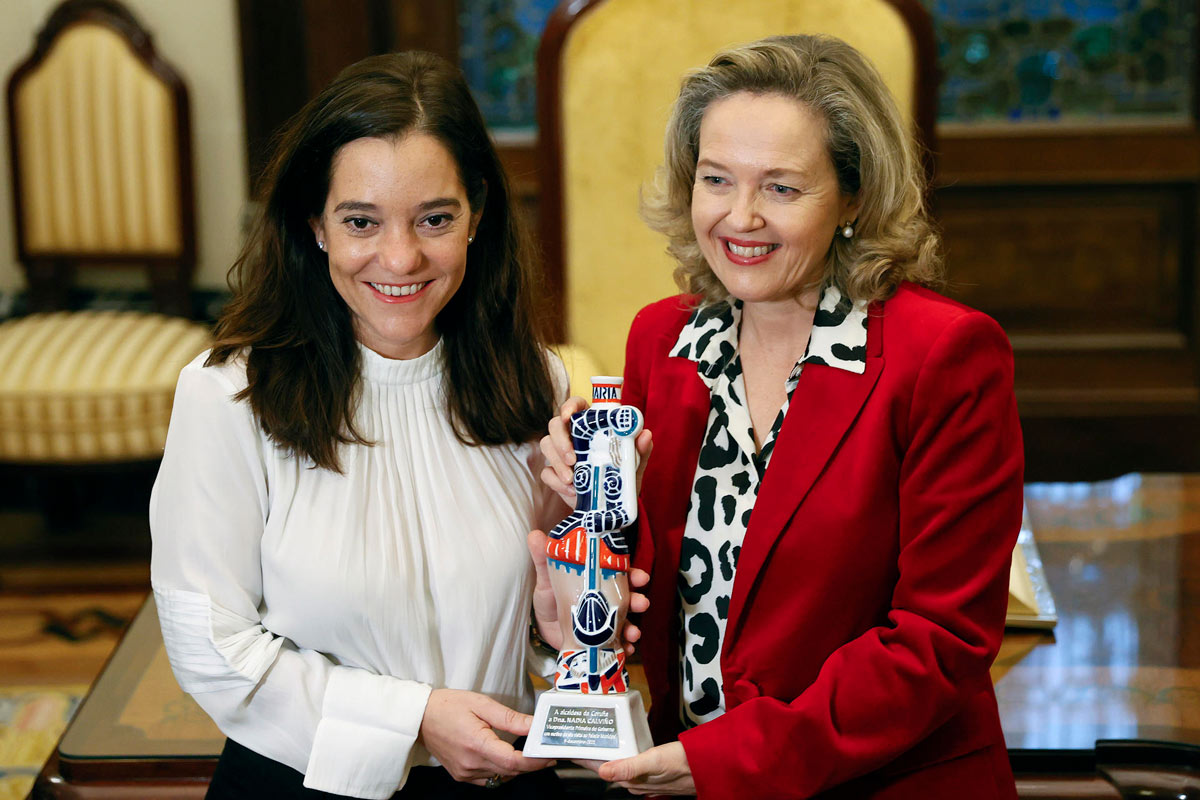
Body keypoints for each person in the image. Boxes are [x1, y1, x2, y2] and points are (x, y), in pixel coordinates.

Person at [539, 35, 1024, 798]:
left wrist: (729, 760)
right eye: (716, 179)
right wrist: (582, 519)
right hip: (679, 777)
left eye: (782, 189)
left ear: (853, 197)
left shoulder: (944, 355)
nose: (741, 217)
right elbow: (640, 589)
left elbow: (941, 640)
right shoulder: (660, 342)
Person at [151, 51, 570, 799]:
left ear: (477, 214)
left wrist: (573, 593)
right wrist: (413, 718)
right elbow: (208, 642)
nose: (401, 257)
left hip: (504, 780)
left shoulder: (539, 383)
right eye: (361, 221)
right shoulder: (227, 398)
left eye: (434, 219)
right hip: (307, 783)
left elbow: (543, 632)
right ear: (315, 224)